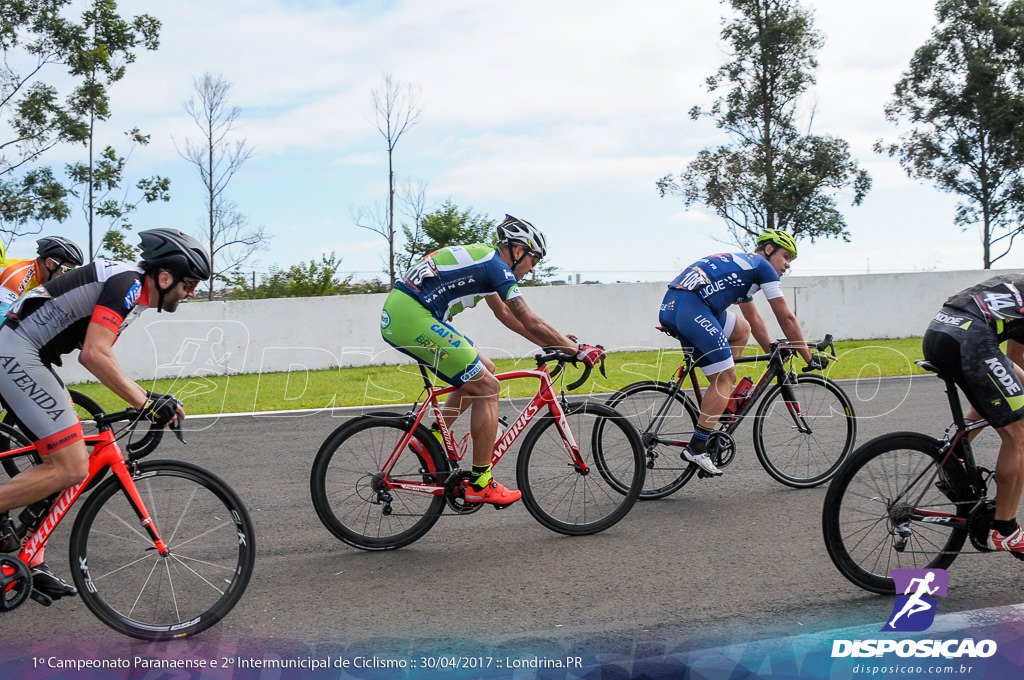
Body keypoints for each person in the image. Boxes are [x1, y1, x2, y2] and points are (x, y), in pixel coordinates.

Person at [0, 228, 210, 599]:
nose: (190, 292)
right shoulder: (128, 284)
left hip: (30, 355)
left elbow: (101, 355)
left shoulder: (132, 291)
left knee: (70, 455)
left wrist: (145, 396)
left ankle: (30, 558)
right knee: (71, 466)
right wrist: (145, 402)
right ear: (165, 277)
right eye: (189, 283)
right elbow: (94, 354)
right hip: (17, 352)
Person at [380, 215, 604, 506]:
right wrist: (576, 350)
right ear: (518, 249)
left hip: (409, 312)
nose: (532, 269)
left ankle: (430, 438)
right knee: (488, 388)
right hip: (411, 316)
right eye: (533, 259)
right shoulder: (495, 266)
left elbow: (508, 316)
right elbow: (529, 319)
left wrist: (558, 343)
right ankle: (481, 482)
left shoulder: (485, 261)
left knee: (485, 370)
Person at [658, 229, 827, 477]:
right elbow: (786, 317)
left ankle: (719, 401)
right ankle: (697, 447)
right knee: (726, 376)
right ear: (769, 250)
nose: (788, 265)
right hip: (690, 307)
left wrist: (771, 349)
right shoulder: (763, 268)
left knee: (741, 331)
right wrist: (809, 357)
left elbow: (755, 319)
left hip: (681, 304)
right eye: (786, 256)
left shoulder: (747, 269)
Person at [922, 275, 1024, 553]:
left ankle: (950, 461)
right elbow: (1015, 362)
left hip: (939, 332)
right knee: (1018, 434)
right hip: (971, 340)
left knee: (994, 398)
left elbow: (1011, 363)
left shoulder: (1017, 284)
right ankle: (1005, 530)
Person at [0, 236, 85, 317]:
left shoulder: (38, 281)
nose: (67, 276)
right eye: (66, 270)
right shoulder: (20, 273)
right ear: (49, 263)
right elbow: (2, 315)